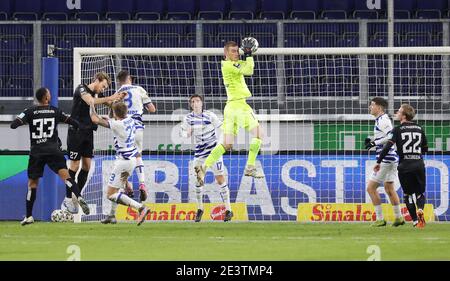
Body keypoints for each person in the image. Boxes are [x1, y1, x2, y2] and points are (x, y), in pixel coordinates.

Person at [195, 39, 264, 199]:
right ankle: (250, 166)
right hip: (239, 106)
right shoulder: (229, 65)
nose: (236, 53)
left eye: (237, 51)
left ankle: (204, 168)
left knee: (226, 144)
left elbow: (245, 68)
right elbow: (249, 70)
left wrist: (246, 55)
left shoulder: (232, 65)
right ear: (225, 53)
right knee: (259, 134)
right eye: (233, 51)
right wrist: (249, 54)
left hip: (230, 108)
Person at [10, 87, 90, 226]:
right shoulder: (55, 111)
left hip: (36, 152)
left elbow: (13, 125)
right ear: (46, 98)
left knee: (32, 184)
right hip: (54, 150)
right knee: (67, 178)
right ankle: (79, 196)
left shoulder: (29, 111)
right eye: (49, 94)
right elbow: (72, 122)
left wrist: (22, 121)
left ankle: (29, 216)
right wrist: (80, 128)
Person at [65, 72, 125, 212]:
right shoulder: (82, 88)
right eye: (103, 86)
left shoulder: (98, 95)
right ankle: (68, 198)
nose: (103, 89)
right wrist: (110, 98)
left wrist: (118, 101)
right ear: (97, 80)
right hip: (76, 132)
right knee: (74, 165)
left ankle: (77, 196)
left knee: (86, 166)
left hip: (88, 133)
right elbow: (90, 101)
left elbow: (111, 104)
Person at [89, 101, 150, 226]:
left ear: (116, 114)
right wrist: (109, 117)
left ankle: (141, 208)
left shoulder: (117, 125)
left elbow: (94, 119)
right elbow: (114, 119)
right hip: (131, 159)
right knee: (118, 189)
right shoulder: (131, 120)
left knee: (111, 194)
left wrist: (92, 104)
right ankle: (111, 215)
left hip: (123, 162)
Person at [374, 104, 428, 228]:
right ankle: (420, 210)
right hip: (418, 164)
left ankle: (415, 220)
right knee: (420, 194)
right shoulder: (420, 128)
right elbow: (425, 148)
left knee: (407, 194)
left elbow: (387, 146)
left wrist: (378, 161)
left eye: (399, 111)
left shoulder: (397, 129)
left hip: (405, 165)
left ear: (404, 115)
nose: (397, 113)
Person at [180, 94, 232, 222]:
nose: (195, 103)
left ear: (202, 103)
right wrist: (187, 133)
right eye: (193, 101)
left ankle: (229, 210)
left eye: (197, 101)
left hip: (214, 153)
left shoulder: (210, 115)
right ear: (191, 105)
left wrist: (221, 144)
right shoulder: (188, 118)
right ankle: (200, 209)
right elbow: (182, 133)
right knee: (199, 181)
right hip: (200, 155)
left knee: (220, 180)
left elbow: (222, 128)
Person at [365, 97, 404, 227]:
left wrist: (374, 143)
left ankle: (380, 218)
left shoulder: (383, 120)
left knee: (371, 188)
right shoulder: (381, 120)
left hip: (386, 159)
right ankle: (398, 218)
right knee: (389, 188)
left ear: (379, 107)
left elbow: (390, 137)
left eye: (372, 105)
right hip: (391, 158)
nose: (370, 107)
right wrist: (373, 142)